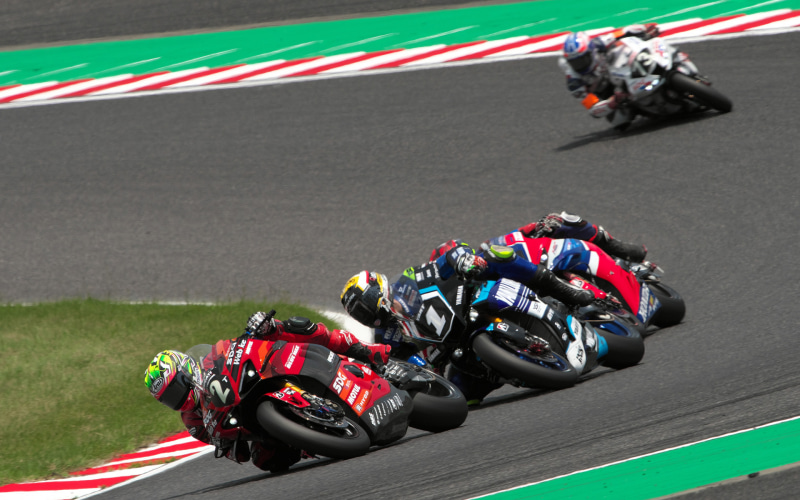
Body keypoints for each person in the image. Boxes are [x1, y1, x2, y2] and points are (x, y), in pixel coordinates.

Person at [143, 311, 390, 472]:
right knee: (266, 461)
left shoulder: (210, 359)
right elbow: (236, 454)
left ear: (186, 370)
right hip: (251, 423)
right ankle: (311, 438)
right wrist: (226, 444)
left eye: (175, 389)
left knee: (297, 327)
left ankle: (366, 351)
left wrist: (258, 327)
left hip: (262, 376)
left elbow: (238, 348)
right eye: (169, 399)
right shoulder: (192, 422)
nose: (176, 399)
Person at [430, 212, 647, 263]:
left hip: (540, 257)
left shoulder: (487, 249)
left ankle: (616, 247)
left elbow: (515, 235)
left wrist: (539, 226)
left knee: (564, 219)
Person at [558, 24, 661, 129]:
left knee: (634, 48)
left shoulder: (598, 43)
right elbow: (593, 109)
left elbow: (623, 32)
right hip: (609, 94)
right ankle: (643, 108)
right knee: (619, 121)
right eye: (574, 63)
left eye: (582, 60)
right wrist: (613, 101)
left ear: (591, 51)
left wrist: (645, 30)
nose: (579, 65)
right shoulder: (574, 82)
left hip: (620, 70)